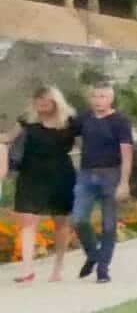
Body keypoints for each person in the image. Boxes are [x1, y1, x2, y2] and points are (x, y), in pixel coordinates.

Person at [3, 87, 78, 282]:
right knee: (27, 219)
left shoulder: (70, 122)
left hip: (60, 174)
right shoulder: (27, 120)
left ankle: (58, 267)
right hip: (31, 174)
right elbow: (8, 138)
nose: (42, 104)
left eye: (47, 100)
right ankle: (27, 269)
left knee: (60, 222)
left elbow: (87, 142)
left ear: (56, 102)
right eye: (38, 100)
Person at [72, 81, 133, 284]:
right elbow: (67, 133)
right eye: (95, 96)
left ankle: (103, 269)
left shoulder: (119, 121)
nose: (98, 101)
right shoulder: (85, 118)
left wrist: (124, 183)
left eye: (103, 96)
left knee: (108, 225)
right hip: (87, 174)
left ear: (111, 98)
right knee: (79, 219)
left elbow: (127, 154)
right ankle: (93, 254)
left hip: (111, 175)